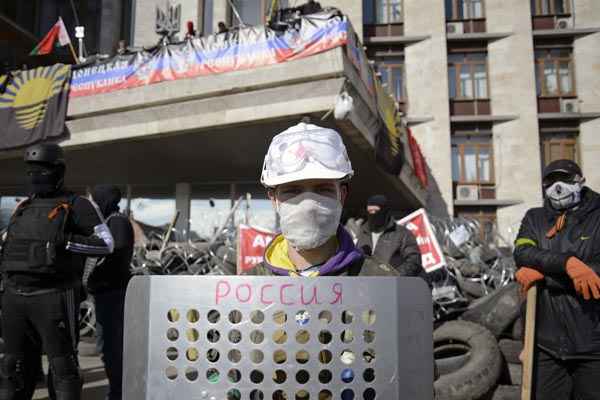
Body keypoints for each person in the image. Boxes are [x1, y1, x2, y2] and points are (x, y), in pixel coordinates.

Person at [0, 143, 114, 400]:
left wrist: (64, 242)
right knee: (11, 367)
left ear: (59, 170)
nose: (36, 175)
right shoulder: (24, 207)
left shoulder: (77, 204)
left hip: (54, 296)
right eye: (32, 170)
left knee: (63, 368)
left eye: (43, 169)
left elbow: (106, 244)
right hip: (14, 298)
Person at [244, 121, 397, 278]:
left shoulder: (383, 283)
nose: (308, 206)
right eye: (292, 190)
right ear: (274, 199)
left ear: (342, 195)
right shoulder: (246, 290)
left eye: (323, 189)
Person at [513, 159, 600, 400]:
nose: (558, 187)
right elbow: (522, 252)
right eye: (550, 181)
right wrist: (567, 264)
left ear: (579, 182)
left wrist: (545, 276)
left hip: (593, 344)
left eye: (564, 179)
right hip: (546, 345)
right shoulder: (534, 218)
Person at [86, 185, 134, 400]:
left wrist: (94, 273)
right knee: (108, 347)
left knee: (111, 347)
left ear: (103, 199)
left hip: (113, 293)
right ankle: (118, 391)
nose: (91, 205)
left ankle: (118, 393)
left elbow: (115, 255)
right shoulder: (110, 221)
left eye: (94, 200)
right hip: (107, 292)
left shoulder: (117, 222)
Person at [355, 194, 424, 277]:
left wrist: (394, 276)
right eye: (369, 211)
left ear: (385, 211)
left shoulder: (402, 234)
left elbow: (414, 260)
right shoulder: (362, 233)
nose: (372, 214)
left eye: (375, 211)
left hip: (391, 286)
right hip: (364, 285)